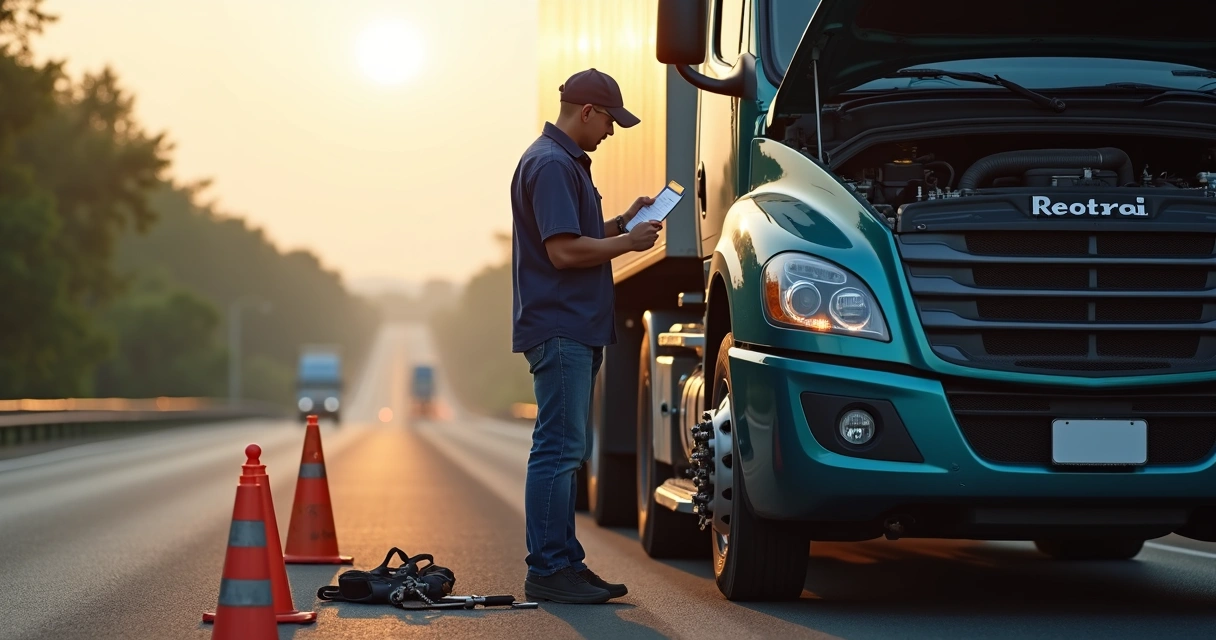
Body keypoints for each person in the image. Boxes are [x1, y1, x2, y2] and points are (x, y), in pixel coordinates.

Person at [510, 68, 663, 604]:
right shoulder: (553, 165)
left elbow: (578, 236)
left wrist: (623, 221)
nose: (612, 133)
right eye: (611, 122)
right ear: (587, 112)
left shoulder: (559, 162)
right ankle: (550, 569)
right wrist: (629, 245)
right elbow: (563, 252)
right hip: (561, 325)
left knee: (566, 448)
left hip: (571, 324)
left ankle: (563, 563)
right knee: (559, 449)